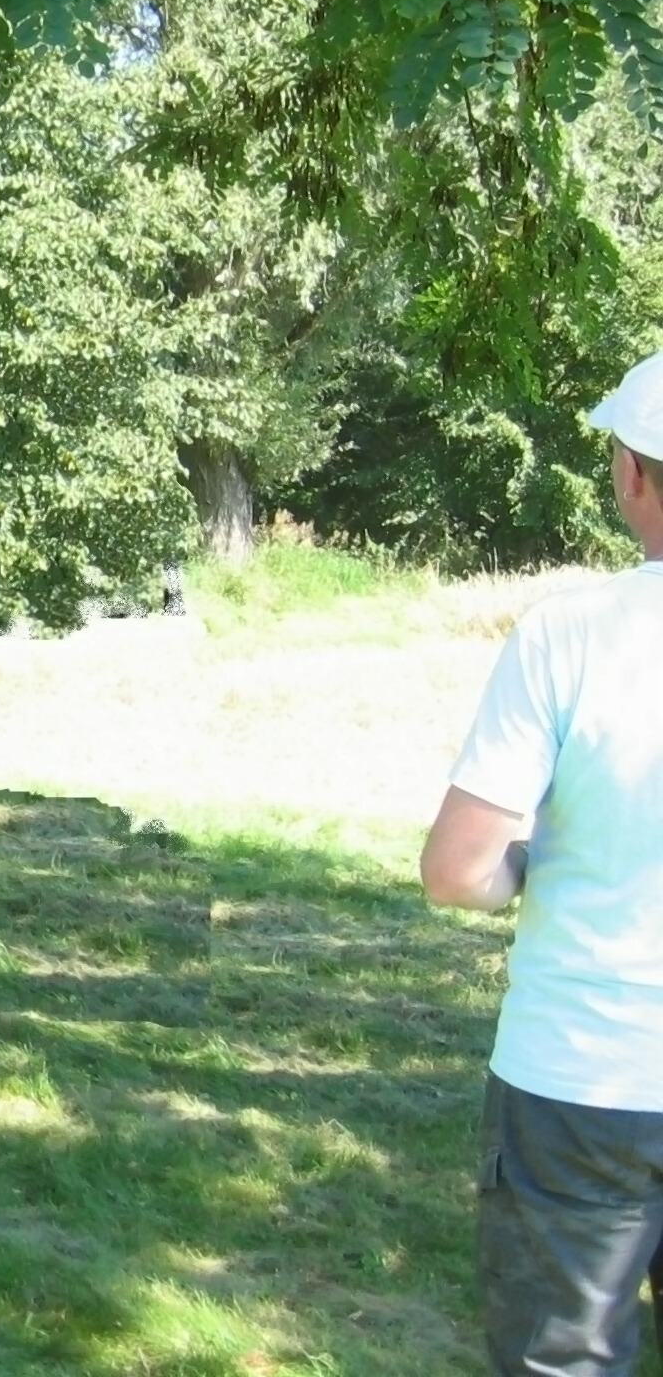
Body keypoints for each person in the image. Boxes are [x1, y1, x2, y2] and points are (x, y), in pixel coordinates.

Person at [422, 348, 663, 1376]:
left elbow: (457, 869)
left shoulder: (566, 637)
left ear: (632, 473)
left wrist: (524, 866)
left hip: (581, 1080)